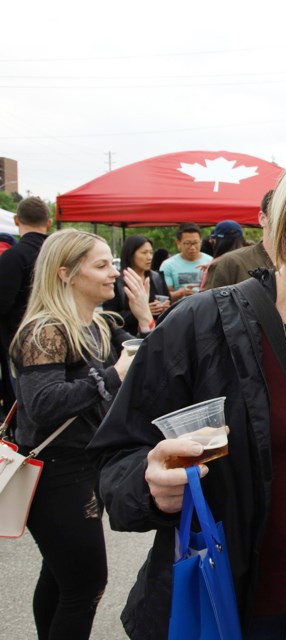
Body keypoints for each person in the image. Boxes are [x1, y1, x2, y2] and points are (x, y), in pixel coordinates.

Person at [87, 146, 286, 639]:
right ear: (279, 221)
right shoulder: (198, 324)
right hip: (221, 607)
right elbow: (114, 462)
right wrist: (150, 484)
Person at [8, 229, 150, 640]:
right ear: (66, 273)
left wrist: (143, 317)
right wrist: (112, 375)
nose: (113, 273)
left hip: (86, 465)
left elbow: (149, 359)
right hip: (56, 471)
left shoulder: (101, 324)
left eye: (112, 263)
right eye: (102, 265)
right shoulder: (45, 330)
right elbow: (43, 404)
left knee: (60, 576)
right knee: (86, 584)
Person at [0, 196, 51, 422]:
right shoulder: (60, 255)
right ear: (48, 222)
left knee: (25, 408)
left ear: (16, 219)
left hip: (20, 344)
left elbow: (2, 303)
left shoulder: (13, 256)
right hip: (65, 340)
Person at [201, 191, 276, 290]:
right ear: (262, 219)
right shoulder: (230, 263)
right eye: (277, 214)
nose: (285, 220)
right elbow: (208, 304)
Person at [102, 235, 172, 333]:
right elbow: (109, 316)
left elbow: (168, 303)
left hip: (156, 333)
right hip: (126, 339)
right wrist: (141, 312)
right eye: (144, 253)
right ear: (131, 254)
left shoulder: (157, 278)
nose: (149, 257)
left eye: (151, 252)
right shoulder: (116, 281)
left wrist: (165, 307)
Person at [158, 222, 212, 302]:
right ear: (178, 243)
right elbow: (163, 296)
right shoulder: (168, 265)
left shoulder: (210, 261)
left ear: (201, 241)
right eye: (188, 243)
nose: (192, 247)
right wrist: (181, 293)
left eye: (196, 243)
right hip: (179, 310)